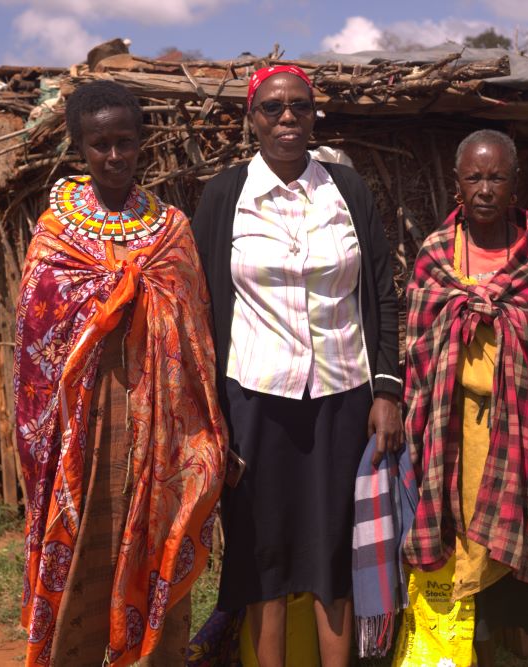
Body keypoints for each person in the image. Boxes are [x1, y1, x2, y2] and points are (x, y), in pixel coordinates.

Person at [190, 65, 402, 667]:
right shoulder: (226, 195)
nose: (288, 119)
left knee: (334, 544)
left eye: (300, 108)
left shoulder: (346, 190)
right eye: (273, 109)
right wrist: (209, 411)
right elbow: (201, 303)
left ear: (314, 115)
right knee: (263, 550)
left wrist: (386, 391)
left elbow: (383, 292)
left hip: (343, 395)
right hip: (253, 399)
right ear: (250, 118)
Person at [14, 80, 226, 667]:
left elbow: (195, 330)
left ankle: (155, 654)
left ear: (142, 144)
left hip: (160, 415)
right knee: (86, 540)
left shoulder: (170, 228)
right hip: (87, 415)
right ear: (79, 148)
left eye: (125, 143)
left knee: (160, 533)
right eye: (99, 144)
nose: (113, 156)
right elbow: (37, 330)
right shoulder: (57, 231)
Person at [402, 129, 528, 667]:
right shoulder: (437, 254)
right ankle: (475, 653)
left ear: (514, 184)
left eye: (496, 176)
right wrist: (465, 311)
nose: (485, 188)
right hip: (459, 430)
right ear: (456, 184)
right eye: (474, 177)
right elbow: (417, 341)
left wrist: (500, 316)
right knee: (468, 543)